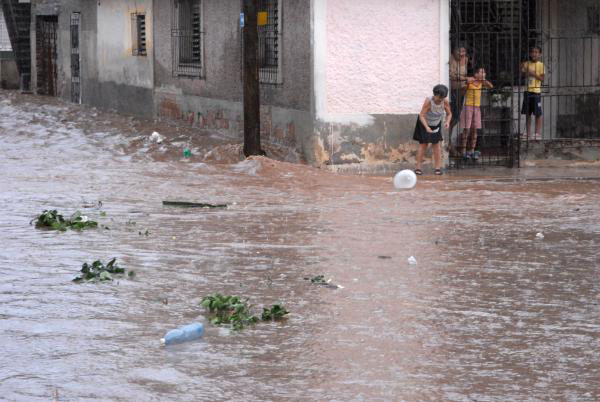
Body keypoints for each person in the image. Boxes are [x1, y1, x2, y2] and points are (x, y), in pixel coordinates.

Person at [413, 84, 452, 176]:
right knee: (423, 144)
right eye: (439, 98)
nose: (440, 100)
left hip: (436, 123)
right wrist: (426, 127)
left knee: (436, 145)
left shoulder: (445, 102)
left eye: (442, 98)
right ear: (435, 94)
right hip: (424, 123)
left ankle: (437, 168)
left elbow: (449, 114)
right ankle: (418, 168)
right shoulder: (428, 101)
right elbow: (421, 115)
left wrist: (447, 122)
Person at [459, 67, 493, 160]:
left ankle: (472, 150)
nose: (484, 73)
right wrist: (467, 83)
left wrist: (484, 79)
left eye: (484, 72)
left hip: (477, 108)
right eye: (482, 72)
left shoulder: (482, 82)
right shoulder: (470, 82)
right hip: (468, 107)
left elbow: (490, 86)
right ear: (476, 74)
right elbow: (462, 91)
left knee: (475, 129)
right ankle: (463, 151)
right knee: (466, 129)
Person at [521, 46, 545, 141]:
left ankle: (537, 133)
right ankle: (527, 133)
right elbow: (522, 73)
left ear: (540, 54)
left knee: (538, 114)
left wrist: (533, 74)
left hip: (536, 92)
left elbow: (542, 79)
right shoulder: (527, 63)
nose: (534, 54)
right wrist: (524, 68)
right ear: (530, 54)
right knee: (528, 113)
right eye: (532, 52)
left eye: (536, 52)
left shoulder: (541, 65)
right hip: (527, 91)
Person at [449, 45, 470, 138]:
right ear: (455, 51)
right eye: (460, 52)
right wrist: (464, 78)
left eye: (464, 52)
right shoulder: (451, 58)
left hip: (463, 90)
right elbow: (451, 75)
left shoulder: (465, 59)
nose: (462, 54)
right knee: (454, 116)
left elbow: (466, 73)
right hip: (454, 90)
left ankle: (449, 139)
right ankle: (448, 138)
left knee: (457, 116)